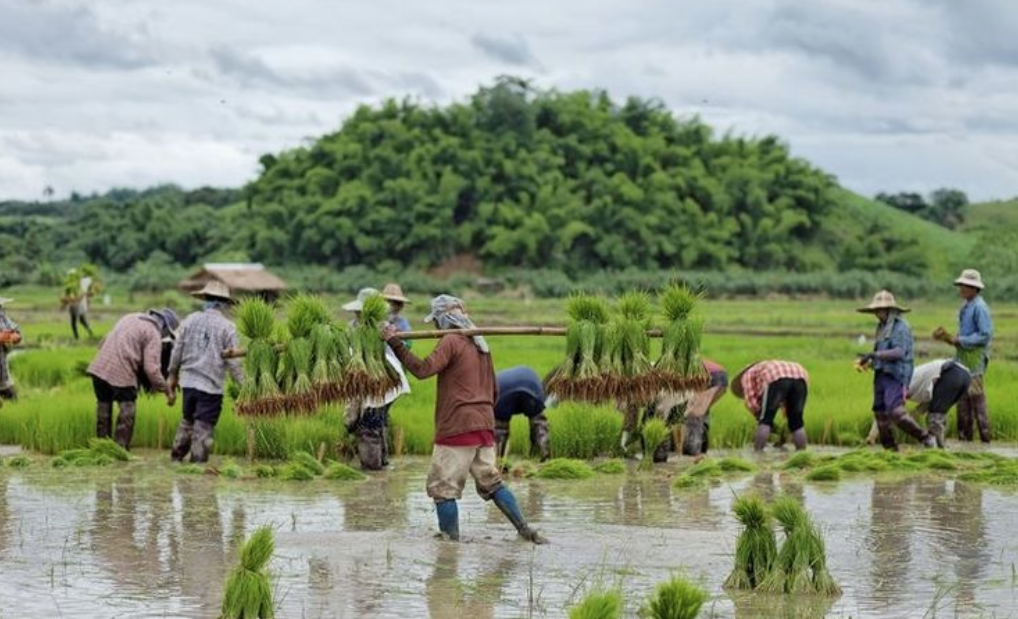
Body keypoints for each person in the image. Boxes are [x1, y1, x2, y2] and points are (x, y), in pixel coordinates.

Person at [383, 294, 544, 543]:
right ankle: (525, 529)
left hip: (457, 426)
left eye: (435, 321)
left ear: (443, 320)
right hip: (485, 425)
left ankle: (450, 545)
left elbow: (423, 370)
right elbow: (495, 390)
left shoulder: (451, 340)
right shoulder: (481, 344)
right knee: (491, 481)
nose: (435, 327)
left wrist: (395, 343)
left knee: (443, 488)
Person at [166, 282, 244, 463]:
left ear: (206, 300)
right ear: (224, 304)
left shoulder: (191, 319)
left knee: (187, 422)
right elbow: (234, 364)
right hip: (210, 387)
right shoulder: (228, 327)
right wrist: (245, 387)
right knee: (203, 428)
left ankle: (175, 460)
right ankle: (197, 467)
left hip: (188, 384)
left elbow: (177, 350)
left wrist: (172, 375)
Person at [87, 308, 178, 449]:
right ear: (165, 327)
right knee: (127, 412)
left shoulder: (129, 317)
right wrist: (167, 390)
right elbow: (151, 369)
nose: (164, 336)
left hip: (99, 369)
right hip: (122, 374)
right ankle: (120, 450)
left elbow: (102, 342)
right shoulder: (153, 332)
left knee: (103, 410)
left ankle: (101, 448)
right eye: (166, 333)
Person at [856, 290, 934, 450]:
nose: (877, 313)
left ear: (890, 310)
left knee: (896, 412)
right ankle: (890, 451)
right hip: (881, 374)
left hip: (896, 374)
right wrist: (868, 362)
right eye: (876, 310)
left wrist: (874, 354)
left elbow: (899, 352)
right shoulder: (881, 327)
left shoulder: (901, 327)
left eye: (880, 310)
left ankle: (925, 438)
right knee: (880, 413)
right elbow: (880, 354)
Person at [344, 288, 410, 470]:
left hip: (383, 381)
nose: (357, 315)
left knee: (369, 426)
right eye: (357, 312)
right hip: (371, 381)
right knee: (376, 423)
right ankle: (381, 467)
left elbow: (402, 346)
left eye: (360, 312)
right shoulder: (353, 326)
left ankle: (373, 472)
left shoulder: (383, 327)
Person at [632, 359, 728, 461]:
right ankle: (694, 453)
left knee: (693, 416)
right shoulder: (639, 383)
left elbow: (663, 413)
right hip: (712, 375)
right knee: (695, 415)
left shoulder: (659, 382)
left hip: (710, 375)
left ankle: (691, 455)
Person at [938, 269, 994, 443]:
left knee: (976, 399)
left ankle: (985, 440)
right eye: (961, 285)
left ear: (975, 288)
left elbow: (985, 335)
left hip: (974, 359)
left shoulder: (979, 307)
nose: (962, 288)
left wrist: (960, 340)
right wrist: (953, 339)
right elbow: (966, 334)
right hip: (962, 359)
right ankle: (965, 441)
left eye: (966, 285)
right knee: (962, 399)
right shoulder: (966, 307)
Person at [731, 359, 810, 451]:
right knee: (797, 422)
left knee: (765, 420)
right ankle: (802, 453)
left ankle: (757, 454)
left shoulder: (746, 375)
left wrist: (760, 417)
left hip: (776, 376)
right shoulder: (763, 369)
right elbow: (785, 402)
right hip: (801, 375)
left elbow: (751, 402)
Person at [909, 359, 971, 448]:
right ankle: (941, 446)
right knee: (940, 413)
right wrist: (915, 412)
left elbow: (897, 408)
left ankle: (939, 449)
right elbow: (932, 399)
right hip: (965, 376)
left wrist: (908, 416)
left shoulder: (905, 384)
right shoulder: (912, 378)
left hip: (951, 373)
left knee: (935, 417)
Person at [494, 366, 550, 461]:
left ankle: (499, 461)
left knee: (500, 429)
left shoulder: (489, 389)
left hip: (502, 393)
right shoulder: (494, 379)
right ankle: (544, 457)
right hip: (533, 385)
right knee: (539, 423)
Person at [0, 296, 22, 404]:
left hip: (3, 376)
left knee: (14, 402)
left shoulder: (1, 316)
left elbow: (16, 332)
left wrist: (14, 337)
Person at [64, 270, 98, 340]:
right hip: (75, 304)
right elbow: (67, 295)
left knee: (77, 320)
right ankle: (83, 334)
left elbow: (84, 293)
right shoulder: (72, 285)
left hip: (77, 304)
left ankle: (80, 335)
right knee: (79, 320)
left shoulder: (77, 283)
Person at [381, 283, 412, 349]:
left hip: (396, 353)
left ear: (400, 306)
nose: (390, 307)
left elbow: (409, 344)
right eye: (387, 302)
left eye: (394, 304)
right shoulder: (378, 321)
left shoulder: (403, 322)